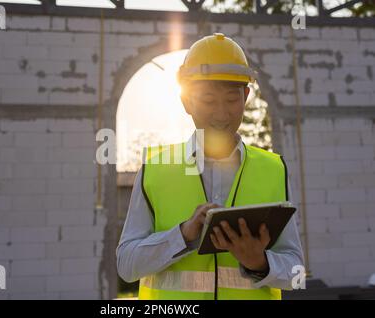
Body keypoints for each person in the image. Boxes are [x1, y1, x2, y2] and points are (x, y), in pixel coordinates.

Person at [116, 33, 304, 300]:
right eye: (208, 101)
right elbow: (126, 265)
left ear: (246, 97)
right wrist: (182, 235)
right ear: (186, 101)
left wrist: (260, 263)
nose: (221, 113)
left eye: (231, 99)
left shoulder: (273, 170)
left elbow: (296, 272)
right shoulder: (155, 170)